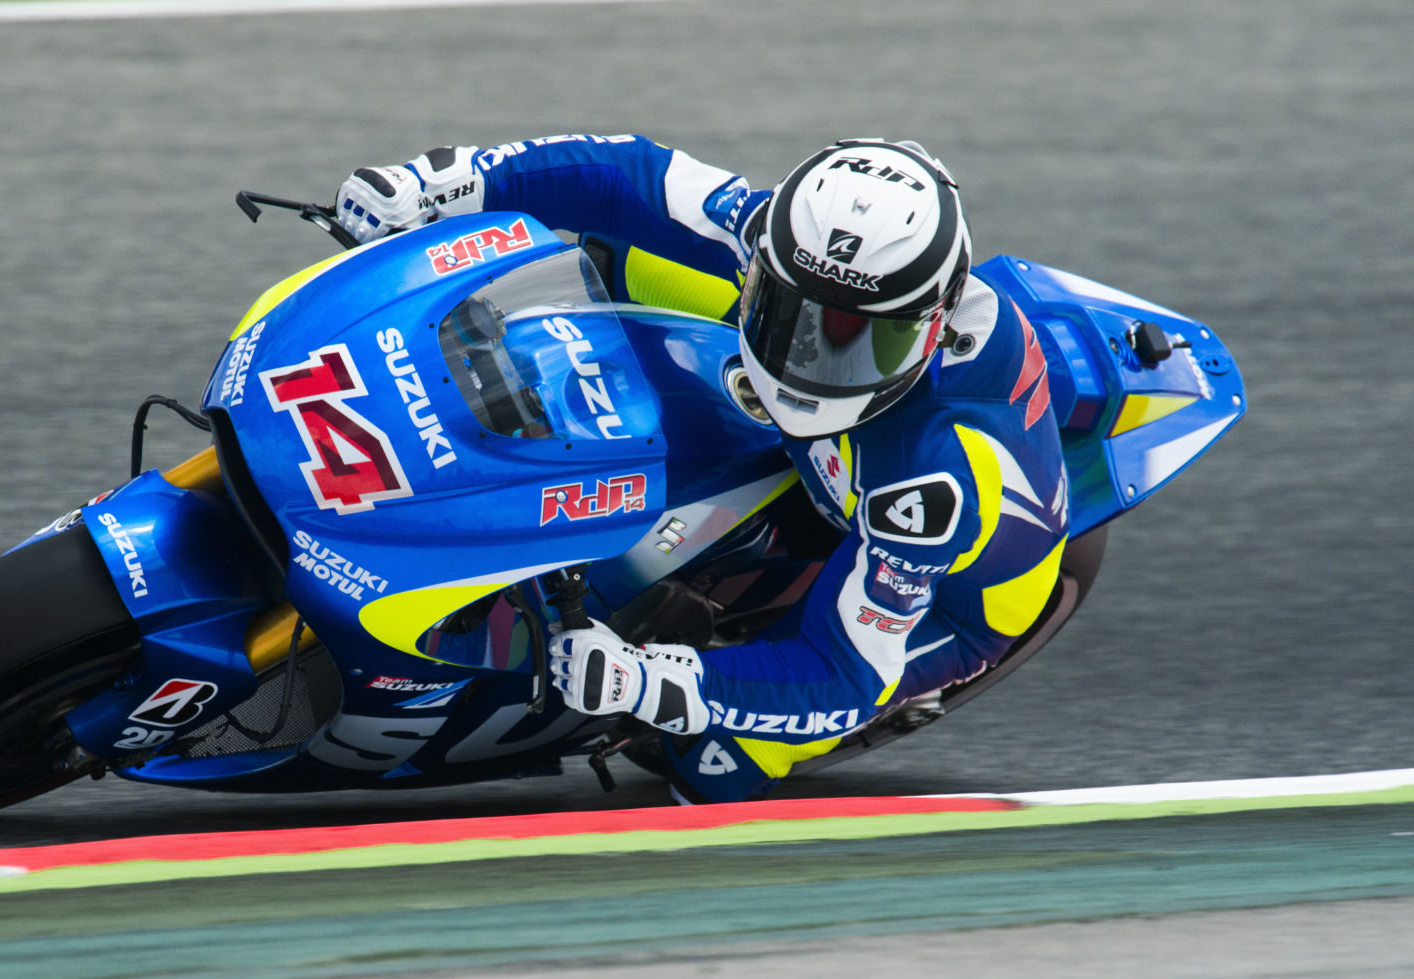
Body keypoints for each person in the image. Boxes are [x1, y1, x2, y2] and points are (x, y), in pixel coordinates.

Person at [334, 136, 1071, 803]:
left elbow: (844, 676)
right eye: (791, 313)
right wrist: (447, 183)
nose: (808, 357)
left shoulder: (928, 482)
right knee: (620, 254)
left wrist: (653, 680)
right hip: (828, 446)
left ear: (930, 326)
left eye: (855, 341)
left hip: (956, 599)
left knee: (709, 762)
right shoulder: (783, 238)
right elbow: (632, 177)